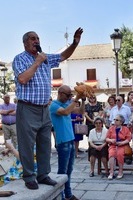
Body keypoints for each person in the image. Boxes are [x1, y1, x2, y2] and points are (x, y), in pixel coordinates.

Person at [12, 27, 83, 190]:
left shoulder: (45, 58)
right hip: (27, 108)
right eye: (32, 38)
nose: (36, 41)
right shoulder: (20, 59)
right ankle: (29, 176)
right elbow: (22, 79)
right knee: (27, 145)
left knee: (45, 143)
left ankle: (43, 175)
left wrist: (74, 43)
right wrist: (37, 62)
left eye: (37, 38)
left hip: (44, 108)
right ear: (25, 43)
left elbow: (64, 56)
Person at [49, 85, 84, 200]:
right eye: (68, 95)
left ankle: (68, 194)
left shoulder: (67, 103)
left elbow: (80, 112)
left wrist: (83, 100)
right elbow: (65, 112)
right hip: (62, 141)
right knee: (62, 171)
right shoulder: (54, 105)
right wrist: (76, 98)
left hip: (70, 139)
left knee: (69, 170)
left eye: (70, 95)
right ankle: (62, 196)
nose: (69, 97)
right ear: (60, 93)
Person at [106, 114, 131, 180]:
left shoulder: (125, 129)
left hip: (122, 145)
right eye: (114, 119)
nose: (115, 121)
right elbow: (106, 138)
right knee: (111, 154)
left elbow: (128, 139)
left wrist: (122, 143)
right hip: (113, 145)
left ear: (121, 122)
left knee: (120, 154)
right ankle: (111, 172)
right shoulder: (111, 128)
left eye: (117, 120)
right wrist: (111, 140)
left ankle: (120, 171)